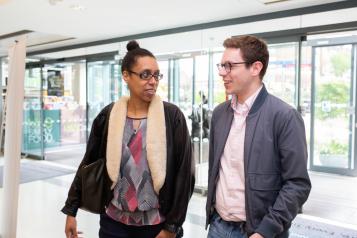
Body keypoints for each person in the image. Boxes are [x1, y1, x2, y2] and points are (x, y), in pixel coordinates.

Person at [62, 40, 195, 238]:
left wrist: (171, 227)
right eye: (145, 75)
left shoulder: (172, 116)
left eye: (156, 75)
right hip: (113, 224)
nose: (153, 81)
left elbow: (185, 174)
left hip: (157, 225)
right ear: (126, 76)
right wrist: (71, 210)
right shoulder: (108, 116)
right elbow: (88, 162)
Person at [205, 35, 311, 238]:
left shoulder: (284, 116)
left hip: (258, 231)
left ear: (255, 68)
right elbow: (215, 171)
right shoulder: (219, 114)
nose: (222, 73)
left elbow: (297, 184)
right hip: (218, 226)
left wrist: (265, 231)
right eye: (221, 66)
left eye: (229, 66)